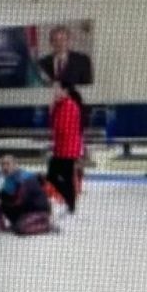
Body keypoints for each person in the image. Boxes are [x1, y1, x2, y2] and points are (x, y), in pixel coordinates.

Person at [48, 82, 85, 215]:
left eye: (57, 89)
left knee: (56, 176)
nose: (55, 92)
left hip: (67, 149)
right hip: (61, 148)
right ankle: (70, 203)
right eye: (54, 89)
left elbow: (62, 128)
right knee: (61, 177)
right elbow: (52, 124)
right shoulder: (61, 105)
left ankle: (70, 202)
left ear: (65, 90)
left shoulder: (69, 106)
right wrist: (52, 109)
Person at [0, 155, 55, 235]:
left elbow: (18, 200)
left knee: (20, 228)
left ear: (15, 165)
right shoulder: (9, 180)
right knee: (1, 204)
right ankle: (13, 224)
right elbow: (4, 201)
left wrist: (2, 197)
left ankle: (46, 225)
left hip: (38, 211)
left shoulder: (23, 177)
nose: (5, 167)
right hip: (25, 210)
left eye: (7, 164)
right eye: (2, 165)